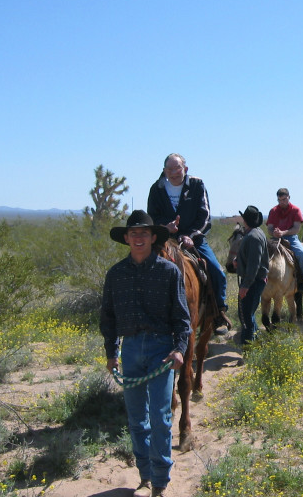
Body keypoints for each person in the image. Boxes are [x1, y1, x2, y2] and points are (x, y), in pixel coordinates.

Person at [100, 210, 191, 497]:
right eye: (133, 233)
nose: (138, 238)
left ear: (153, 238)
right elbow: (108, 317)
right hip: (129, 349)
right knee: (137, 418)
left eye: (144, 233)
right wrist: (111, 352)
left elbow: (182, 318)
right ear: (126, 238)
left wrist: (179, 349)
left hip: (161, 350)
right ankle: (145, 476)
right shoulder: (116, 274)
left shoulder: (169, 272)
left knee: (161, 416)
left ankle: (160, 482)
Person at [147, 153, 232, 336]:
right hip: (166, 238)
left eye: (177, 168)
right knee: (142, 268)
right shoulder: (157, 188)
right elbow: (151, 216)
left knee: (217, 272)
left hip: (194, 239)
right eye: (169, 169)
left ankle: (218, 313)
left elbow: (205, 215)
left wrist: (191, 235)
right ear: (164, 171)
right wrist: (164, 227)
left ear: (185, 169)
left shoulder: (196, 185)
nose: (173, 173)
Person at [234, 205, 269, 344]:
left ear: (245, 220)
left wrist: (245, 286)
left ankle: (248, 348)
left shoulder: (253, 236)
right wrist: (239, 260)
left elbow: (254, 263)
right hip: (255, 280)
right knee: (249, 314)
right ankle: (256, 342)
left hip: (253, 281)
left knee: (246, 316)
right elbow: (251, 257)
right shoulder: (255, 233)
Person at [266, 188, 303, 293]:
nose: (282, 202)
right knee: (264, 253)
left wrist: (283, 233)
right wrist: (274, 232)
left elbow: (296, 229)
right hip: (275, 238)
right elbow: (269, 228)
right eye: (279, 200)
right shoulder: (273, 211)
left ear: (289, 197)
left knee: (302, 253)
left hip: (291, 238)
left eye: (284, 199)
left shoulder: (296, 210)